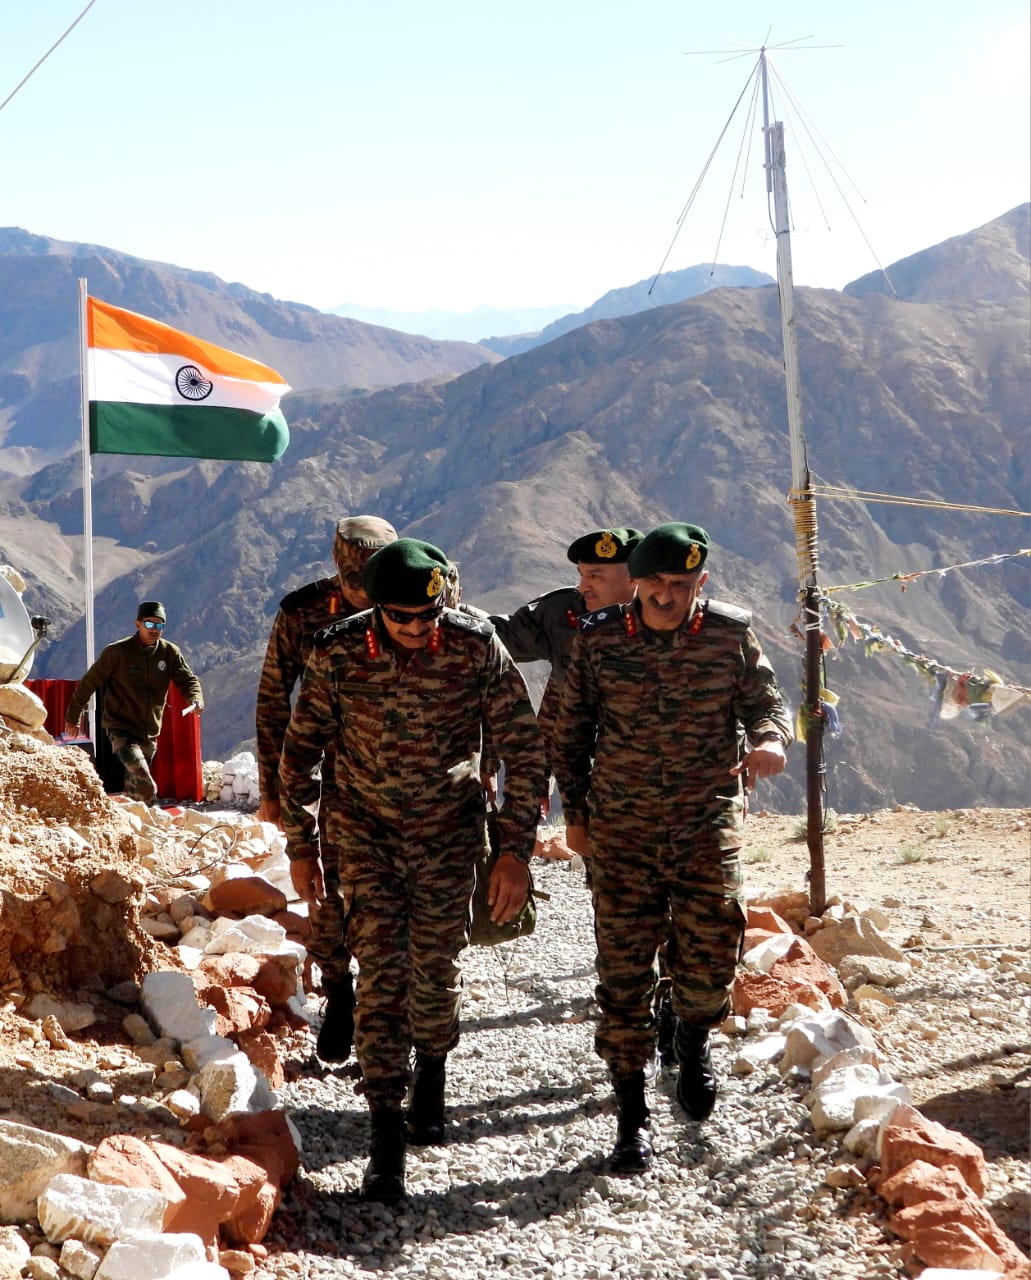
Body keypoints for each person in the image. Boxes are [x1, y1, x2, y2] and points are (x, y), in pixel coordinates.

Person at [278, 537, 544, 1203]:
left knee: (435, 968)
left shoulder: (475, 644)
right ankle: (385, 1136)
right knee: (382, 972)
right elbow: (300, 751)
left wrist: (514, 850)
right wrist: (300, 847)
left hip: (448, 836)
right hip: (362, 836)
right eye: (403, 619)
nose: (418, 630)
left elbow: (522, 746)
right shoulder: (337, 650)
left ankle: (433, 1068)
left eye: (428, 617)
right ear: (376, 610)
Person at [552, 522, 793, 1174]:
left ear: (699, 585)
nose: (665, 595)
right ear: (636, 582)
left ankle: (691, 1034)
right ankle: (631, 1118)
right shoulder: (598, 641)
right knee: (623, 975)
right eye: (655, 583)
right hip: (620, 829)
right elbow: (569, 732)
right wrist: (574, 815)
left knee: (713, 944)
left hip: (702, 821)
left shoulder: (729, 633)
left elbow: (765, 699)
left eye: (679, 585)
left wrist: (769, 738)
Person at [255, 515, 398, 1064]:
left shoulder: (413, 602)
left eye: (371, 580)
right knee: (326, 893)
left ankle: (389, 1013)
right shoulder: (302, 611)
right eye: (353, 580)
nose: (362, 591)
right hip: (323, 781)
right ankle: (339, 992)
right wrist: (272, 787)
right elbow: (273, 700)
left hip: (402, 778)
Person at [490, 527, 642, 790]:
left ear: (633, 579)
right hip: (583, 773)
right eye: (581, 575)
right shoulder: (562, 612)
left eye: (595, 576)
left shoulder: (665, 621)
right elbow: (499, 636)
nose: (583, 587)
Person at [63, 600, 203, 805]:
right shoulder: (117, 652)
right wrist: (72, 717)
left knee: (136, 790)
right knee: (146, 784)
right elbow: (88, 683)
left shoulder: (169, 653)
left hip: (149, 731)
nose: (153, 630)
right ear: (137, 624)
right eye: (149, 624)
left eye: (159, 625)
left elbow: (188, 680)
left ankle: (131, 829)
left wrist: (196, 699)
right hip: (121, 728)